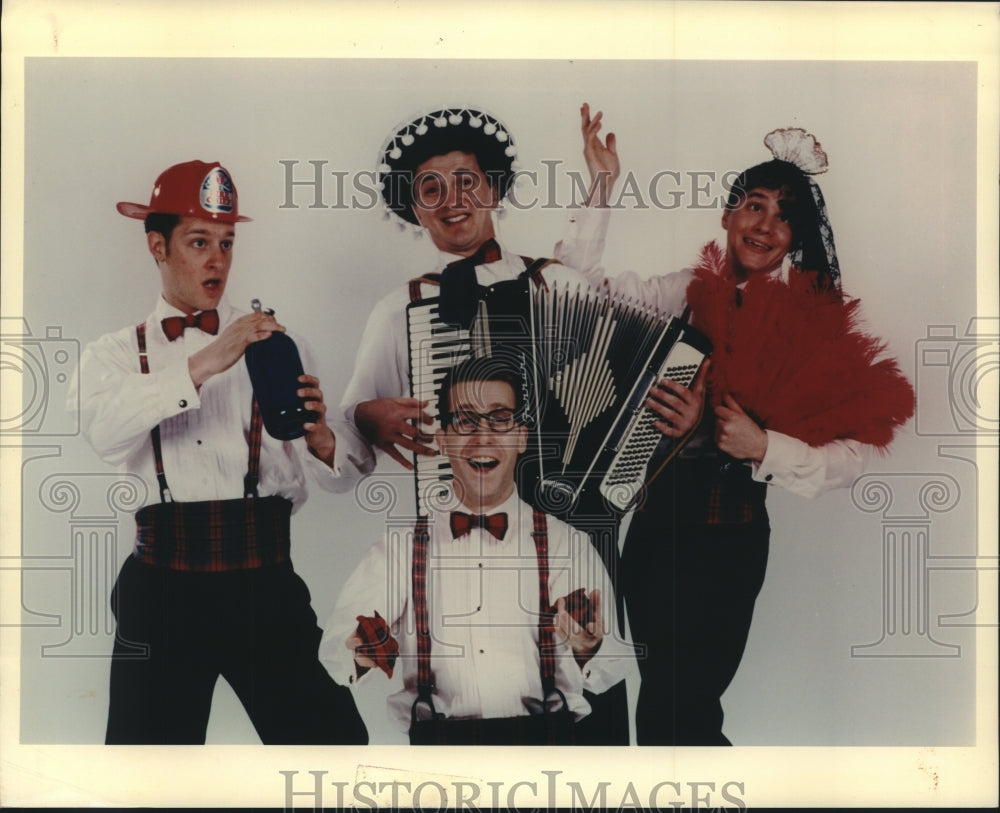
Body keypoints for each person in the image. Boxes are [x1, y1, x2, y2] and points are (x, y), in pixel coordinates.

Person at [340, 106, 705, 743]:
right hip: (467, 546)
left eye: (466, 180)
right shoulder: (400, 310)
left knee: (591, 709)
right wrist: (364, 419)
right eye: (430, 189)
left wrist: (681, 420)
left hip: (579, 535)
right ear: (414, 210)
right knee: (480, 703)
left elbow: (636, 355)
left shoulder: (555, 282)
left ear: (495, 188)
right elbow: (346, 461)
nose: (451, 200)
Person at [563, 106, 915, 745]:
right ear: (727, 215)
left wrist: (764, 446)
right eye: (755, 205)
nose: (767, 226)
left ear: (797, 237)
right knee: (655, 705)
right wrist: (601, 187)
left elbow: (854, 454)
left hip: (729, 542)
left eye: (786, 218)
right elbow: (576, 291)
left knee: (682, 712)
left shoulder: (811, 322)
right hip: (649, 532)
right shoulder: (683, 292)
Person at [69, 160, 370, 744]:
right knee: (147, 774)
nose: (217, 260)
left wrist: (322, 441)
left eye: (227, 243)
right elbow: (105, 436)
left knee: (335, 754)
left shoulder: (282, 343)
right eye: (199, 242)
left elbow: (336, 480)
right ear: (158, 246)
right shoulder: (111, 355)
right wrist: (207, 360)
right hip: (160, 591)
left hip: (265, 582)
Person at [320, 357, 635, 744]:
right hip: (441, 763)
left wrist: (590, 645)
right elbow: (336, 652)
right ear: (444, 438)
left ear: (521, 437)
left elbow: (614, 665)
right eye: (466, 421)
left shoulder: (566, 543)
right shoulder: (400, 549)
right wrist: (359, 649)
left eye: (500, 419)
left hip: (547, 754)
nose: (483, 437)